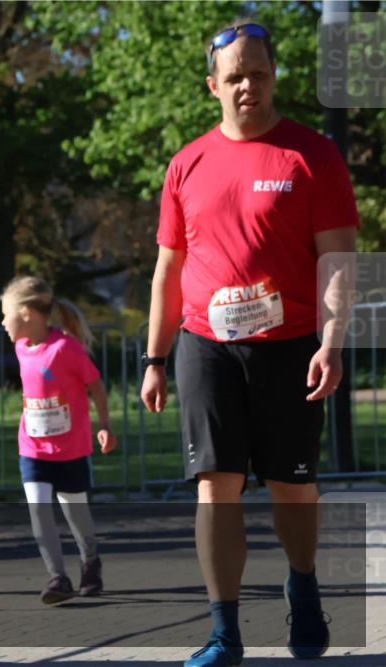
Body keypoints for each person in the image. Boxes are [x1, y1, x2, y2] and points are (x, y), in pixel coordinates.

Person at [139, 19, 359, 667]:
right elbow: (168, 270)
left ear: (273, 77)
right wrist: (154, 358)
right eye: (235, 76)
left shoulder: (312, 155)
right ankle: (223, 632)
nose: (248, 86)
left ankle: (303, 584)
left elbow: (338, 260)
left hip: (290, 345)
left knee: (291, 487)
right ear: (213, 85)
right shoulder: (187, 163)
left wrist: (331, 341)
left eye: (258, 74)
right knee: (216, 486)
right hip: (206, 344)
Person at [0, 276, 116, 604]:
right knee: (38, 509)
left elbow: (96, 385)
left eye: (5, 314)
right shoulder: (20, 347)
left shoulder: (65, 348)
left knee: (74, 511)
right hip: (32, 448)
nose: (2, 322)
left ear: (26, 313)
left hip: (70, 449)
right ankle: (57, 577)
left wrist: (105, 425)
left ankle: (90, 562)